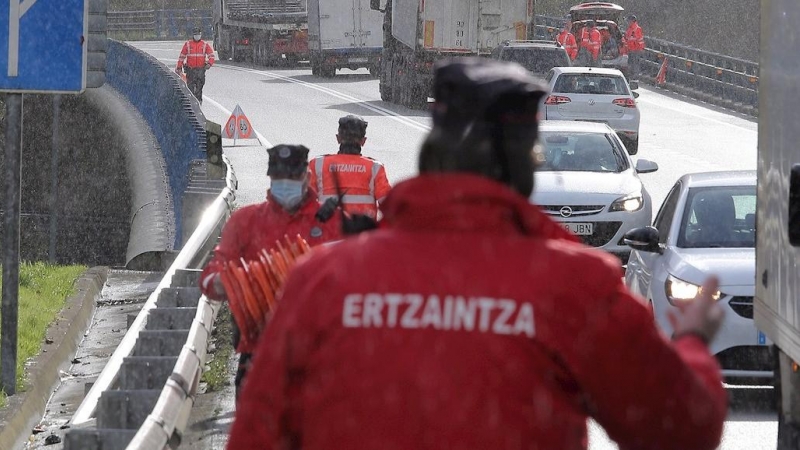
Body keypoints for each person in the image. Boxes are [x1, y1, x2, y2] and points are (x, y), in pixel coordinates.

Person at [227, 58, 728, 449]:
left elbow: (256, 438)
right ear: (522, 167)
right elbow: (680, 429)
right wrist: (691, 343)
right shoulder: (575, 286)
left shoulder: (322, 281)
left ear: (432, 155)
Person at [198, 144, 343, 399]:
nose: (285, 183)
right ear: (270, 178)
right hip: (258, 357)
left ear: (306, 178)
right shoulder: (246, 221)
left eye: (292, 177)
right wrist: (229, 282)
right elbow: (211, 276)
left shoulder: (332, 223)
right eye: (279, 178)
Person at [308, 115, 391, 220]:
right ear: (363, 141)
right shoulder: (375, 167)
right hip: (362, 232)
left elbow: (306, 201)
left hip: (327, 229)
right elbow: (389, 205)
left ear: (338, 138)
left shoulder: (317, 164)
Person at [176, 26, 215, 104]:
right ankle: (191, 103)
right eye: (196, 34)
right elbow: (182, 56)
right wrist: (179, 67)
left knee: (199, 87)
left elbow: (211, 55)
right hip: (191, 70)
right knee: (190, 87)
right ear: (193, 35)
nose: (197, 36)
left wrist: (209, 64)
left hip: (201, 70)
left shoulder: (204, 44)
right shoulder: (188, 44)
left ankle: (198, 101)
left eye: (198, 34)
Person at [624, 15, 646, 81]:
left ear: (632, 21)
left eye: (628, 20)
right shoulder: (630, 28)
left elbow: (638, 39)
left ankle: (635, 77)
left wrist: (639, 48)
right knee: (631, 63)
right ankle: (631, 76)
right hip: (631, 49)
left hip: (636, 49)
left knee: (635, 63)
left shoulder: (636, 28)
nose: (627, 22)